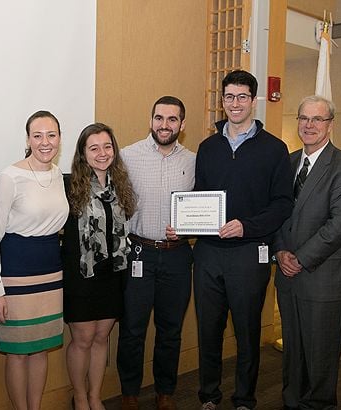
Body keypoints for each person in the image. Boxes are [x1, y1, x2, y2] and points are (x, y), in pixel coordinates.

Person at [193, 70, 293, 410]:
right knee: (209, 330)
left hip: (250, 253)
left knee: (248, 333)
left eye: (242, 97)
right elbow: (199, 197)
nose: (235, 103)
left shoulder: (274, 149)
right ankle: (208, 396)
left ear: (253, 101)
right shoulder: (207, 148)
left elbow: (282, 204)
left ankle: (244, 399)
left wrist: (246, 227)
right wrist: (184, 223)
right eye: (229, 97)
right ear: (221, 102)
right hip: (207, 253)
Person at [273, 95, 341, 410]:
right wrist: (281, 252)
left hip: (321, 278)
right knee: (293, 353)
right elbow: (276, 213)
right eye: (304, 118)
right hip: (287, 277)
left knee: (321, 355)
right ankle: (292, 402)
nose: (309, 125)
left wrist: (300, 257)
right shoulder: (286, 162)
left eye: (317, 119)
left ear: (330, 125)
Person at [117, 96, 196, 410]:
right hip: (139, 253)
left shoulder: (193, 161)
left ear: (182, 124)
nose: (165, 125)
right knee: (133, 329)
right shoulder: (127, 156)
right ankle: (130, 394)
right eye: (159, 118)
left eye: (172, 119)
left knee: (170, 330)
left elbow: (200, 210)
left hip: (177, 256)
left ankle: (165, 392)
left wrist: (188, 228)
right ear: (150, 120)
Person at [0, 110, 69, 410]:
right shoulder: (9, 178)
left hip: (50, 275)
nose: (45, 142)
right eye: (37, 135)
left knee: (41, 349)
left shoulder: (58, 174)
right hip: (15, 276)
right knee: (18, 352)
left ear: (60, 139)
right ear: (27, 139)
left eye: (51, 135)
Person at [62, 123, 137, 410]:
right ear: (83, 154)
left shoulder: (120, 185)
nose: (102, 153)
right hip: (81, 275)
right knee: (82, 339)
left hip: (113, 274)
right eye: (93, 148)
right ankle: (79, 397)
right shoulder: (69, 186)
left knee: (102, 337)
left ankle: (95, 396)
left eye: (107, 146)